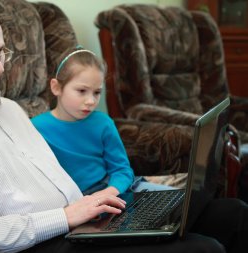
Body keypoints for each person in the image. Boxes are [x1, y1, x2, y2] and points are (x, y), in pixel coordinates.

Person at [0, 4, 247, 253]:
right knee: (204, 248)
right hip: (45, 240)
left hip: (89, 220)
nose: (0, 67)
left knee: (234, 215)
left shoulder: (12, 110)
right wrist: (66, 216)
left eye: (1, 52)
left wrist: (92, 208)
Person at [32, 47, 171, 196]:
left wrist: (109, 193)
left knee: (182, 200)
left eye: (97, 92)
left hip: (112, 189)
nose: (91, 101)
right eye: (81, 91)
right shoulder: (35, 128)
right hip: (77, 202)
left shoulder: (103, 123)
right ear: (56, 87)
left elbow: (121, 170)